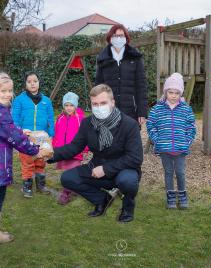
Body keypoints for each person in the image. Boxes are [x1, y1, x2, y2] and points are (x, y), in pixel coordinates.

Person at [48, 84, 143, 223]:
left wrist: (106, 169)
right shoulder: (87, 123)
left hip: (123, 168)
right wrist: (49, 154)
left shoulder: (129, 124)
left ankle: (127, 208)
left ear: (112, 102)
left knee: (127, 181)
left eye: (103, 103)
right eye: (95, 104)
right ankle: (102, 200)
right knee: (67, 178)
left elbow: (135, 158)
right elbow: (74, 147)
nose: (99, 107)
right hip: (96, 165)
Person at [0, 71, 48, 246]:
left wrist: (20, 131)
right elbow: (14, 137)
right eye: (3, 91)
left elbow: (5, 131)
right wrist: (35, 150)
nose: (8, 94)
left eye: (10, 90)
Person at [146, 73, 196, 209]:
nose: (173, 95)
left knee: (180, 172)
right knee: (168, 173)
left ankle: (183, 197)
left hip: (180, 149)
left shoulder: (186, 109)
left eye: (176, 93)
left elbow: (192, 127)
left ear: (180, 93)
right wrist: (157, 140)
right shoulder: (157, 109)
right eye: (170, 92)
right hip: (164, 149)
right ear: (165, 92)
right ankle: (171, 198)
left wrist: (187, 141)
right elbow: (150, 125)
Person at [12, 71, 55, 198]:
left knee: (40, 160)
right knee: (27, 161)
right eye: (29, 81)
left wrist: (51, 134)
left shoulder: (46, 101)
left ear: (39, 83)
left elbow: (50, 119)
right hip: (26, 137)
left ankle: (41, 186)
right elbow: (14, 118)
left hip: (42, 138)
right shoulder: (19, 100)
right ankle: (27, 187)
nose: (32, 84)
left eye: (35, 81)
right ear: (25, 84)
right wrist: (20, 131)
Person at [95, 24, 148, 125]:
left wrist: (142, 111)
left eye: (121, 35)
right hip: (109, 110)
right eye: (115, 36)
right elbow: (98, 87)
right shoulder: (103, 59)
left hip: (131, 111)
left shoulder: (134, 57)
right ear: (110, 38)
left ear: (126, 38)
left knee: (130, 139)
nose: (118, 38)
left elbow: (141, 86)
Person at [52, 92, 88, 205]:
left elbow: (86, 135)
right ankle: (74, 187)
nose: (68, 108)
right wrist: (54, 146)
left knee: (71, 171)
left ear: (75, 106)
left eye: (71, 105)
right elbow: (56, 134)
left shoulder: (80, 119)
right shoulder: (60, 118)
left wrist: (85, 149)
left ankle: (66, 193)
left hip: (75, 151)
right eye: (66, 105)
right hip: (63, 151)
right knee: (67, 171)